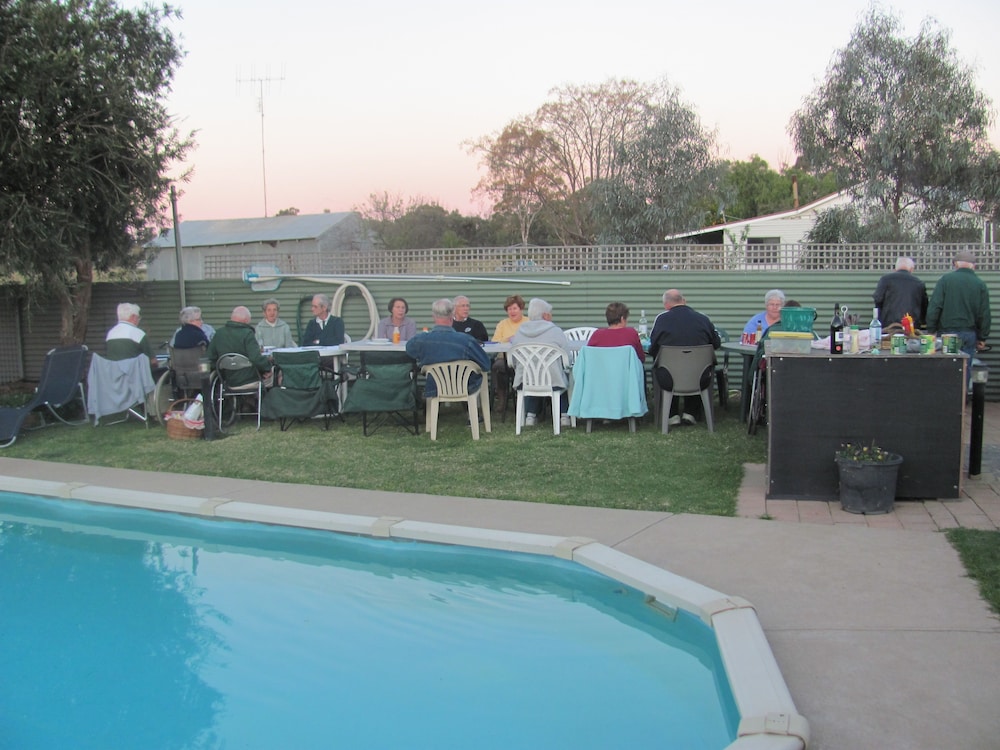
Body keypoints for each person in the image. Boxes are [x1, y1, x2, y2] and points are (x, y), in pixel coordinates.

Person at [647, 289, 721, 426]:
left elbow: (653, 348)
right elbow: (716, 343)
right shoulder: (703, 319)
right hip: (700, 378)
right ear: (684, 301)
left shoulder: (662, 319)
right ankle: (691, 413)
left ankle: (672, 414)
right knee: (696, 367)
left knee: (666, 366)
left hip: (668, 379)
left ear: (666, 305)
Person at [405, 299, 491, 398]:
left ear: (433, 316)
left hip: (434, 386)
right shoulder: (467, 341)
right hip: (466, 387)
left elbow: (410, 351)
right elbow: (486, 364)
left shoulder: (420, 340)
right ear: (452, 315)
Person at [510, 298, 572, 427]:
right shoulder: (556, 331)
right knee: (564, 373)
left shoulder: (519, 332)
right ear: (545, 315)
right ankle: (564, 415)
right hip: (553, 381)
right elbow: (567, 359)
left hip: (525, 382)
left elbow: (514, 360)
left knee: (532, 375)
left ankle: (530, 415)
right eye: (550, 314)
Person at [926, 251, 991, 361]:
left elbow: (935, 307)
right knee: (965, 368)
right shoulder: (980, 284)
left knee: (947, 367)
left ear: (955, 264)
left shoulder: (945, 280)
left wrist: (931, 330)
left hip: (947, 334)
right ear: (973, 266)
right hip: (969, 334)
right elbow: (984, 314)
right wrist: (982, 337)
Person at [207, 306, 273, 387]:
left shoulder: (219, 334)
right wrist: (268, 367)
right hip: (250, 380)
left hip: (227, 381)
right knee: (275, 376)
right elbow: (256, 358)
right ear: (247, 320)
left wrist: (222, 368)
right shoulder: (248, 334)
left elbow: (210, 358)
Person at [490, 295, 527, 410]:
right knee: (497, 367)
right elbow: (495, 342)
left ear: (521, 309)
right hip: (505, 357)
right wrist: (508, 339)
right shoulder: (502, 324)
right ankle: (502, 400)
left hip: (525, 357)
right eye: (509, 309)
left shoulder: (529, 322)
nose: (512, 311)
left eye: (515, 308)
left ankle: (527, 403)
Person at [873, 256, 928, 327]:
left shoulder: (885, 280)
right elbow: (924, 306)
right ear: (911, 269)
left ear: (895, 268)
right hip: (911, 328)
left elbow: (878, 300)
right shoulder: (919, 283)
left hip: (888, 327)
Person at [105, 302, 157, 367]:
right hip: (134, 375)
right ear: (133, 317)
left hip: (113, 375)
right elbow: (153, 361)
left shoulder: (110, 333)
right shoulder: (138, 333)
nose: (139, 320)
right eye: (138, 317)